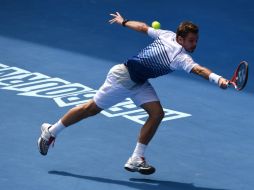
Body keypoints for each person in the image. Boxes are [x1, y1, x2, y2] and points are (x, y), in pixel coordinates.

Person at [37, 12, 229, 175]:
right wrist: (218, 79)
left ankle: (136, 158)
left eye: (196, 40)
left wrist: (124, 22)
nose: (194, 44)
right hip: (123, 78)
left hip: (139, 82)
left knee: (157, 114)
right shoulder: (180, 57)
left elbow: (144, 27)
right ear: (180, 39)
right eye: (191, 41)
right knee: (91, 109)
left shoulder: (167, 34)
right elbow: (199, 70)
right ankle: (51, 132)